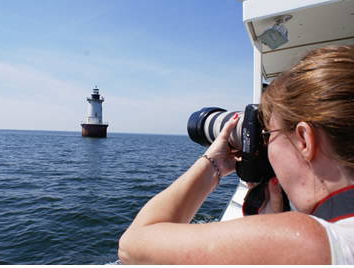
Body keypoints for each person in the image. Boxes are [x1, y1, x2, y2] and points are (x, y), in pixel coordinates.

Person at [118, 45, 354, 265]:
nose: (266, 144)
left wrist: (214, 165)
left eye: (269, 133)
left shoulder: (311, 243)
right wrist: (270, 223)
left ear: (304, 140)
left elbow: (131, 247)